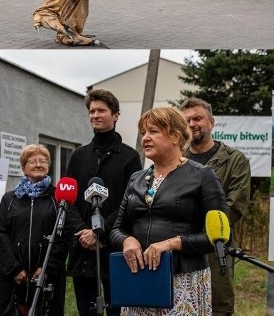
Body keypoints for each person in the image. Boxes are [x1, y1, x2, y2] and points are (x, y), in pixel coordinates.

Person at [110, 107, 228, 315]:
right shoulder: (136, 178)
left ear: (175, 136)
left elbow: (218, 238)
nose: (145, 138)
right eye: (143, 132)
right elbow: (117, 229)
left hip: (183, 281)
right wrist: (126, 241)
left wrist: (172, 243)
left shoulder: (203, 175)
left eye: (153, 131)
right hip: (139, 278)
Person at [65, 89, 142, 316]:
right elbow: (68, 200)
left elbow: (130, 201)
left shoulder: (129, 158)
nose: (95, 115)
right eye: (91, 111)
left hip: (114, 246)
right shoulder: (78, 156)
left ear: (116, 115)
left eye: (101, 110)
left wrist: (101, 231)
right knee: (85, 309)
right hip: (82, 247)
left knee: (116, 308)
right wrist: (83, 231)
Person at [181, 98, 251, 316]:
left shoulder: (234, 160)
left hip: (215, 248)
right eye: (187, 120)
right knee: (181, 303)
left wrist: (200, 235)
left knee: (217, 307)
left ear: (211, 122)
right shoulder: (177, 160)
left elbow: (234, 206)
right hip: (179, 249)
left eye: (197, 118)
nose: (192, 124)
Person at [0, 144, 68, 316]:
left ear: (48, 166)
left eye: (42, 161)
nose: (38, 164)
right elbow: (1, 234)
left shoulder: (58, 198)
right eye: (32, 161)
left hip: (46, 275)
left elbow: (63, 236)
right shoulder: (10, 199)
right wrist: (14, 269)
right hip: (14, 277)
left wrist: (46, 269)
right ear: (23, 168)